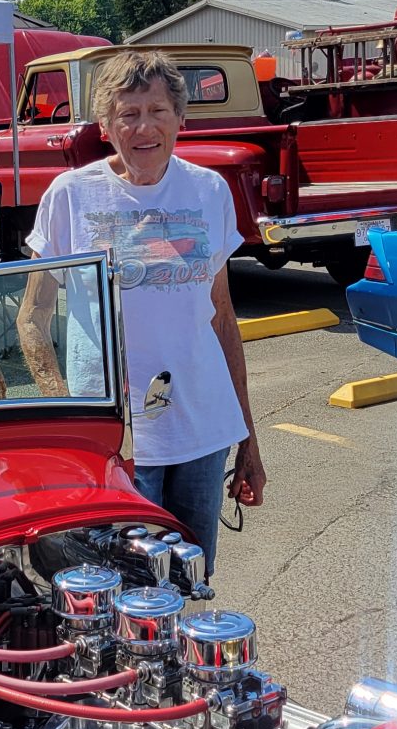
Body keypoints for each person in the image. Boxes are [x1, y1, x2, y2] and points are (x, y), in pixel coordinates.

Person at [16, 49, 264, 572]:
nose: (144, 127)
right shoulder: (70, 196)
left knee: (191, 579)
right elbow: (32, 317)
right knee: (119, 589)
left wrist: (248, 440)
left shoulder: (209, 191)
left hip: (202, 431)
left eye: (157, 111)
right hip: (116, 439)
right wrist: (68, 420)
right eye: (128, 114)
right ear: (106, 126)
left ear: (180, 119)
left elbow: (221, 318)